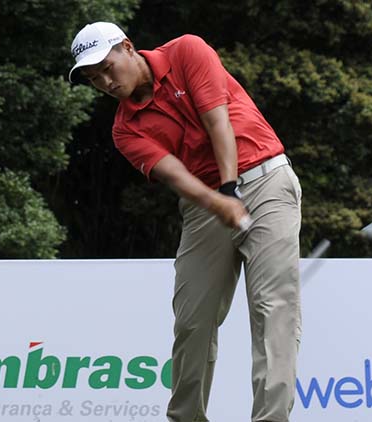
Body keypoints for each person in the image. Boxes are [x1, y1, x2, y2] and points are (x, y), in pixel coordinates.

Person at [69, 22, 302, 422]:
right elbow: (177, 175)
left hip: (265, 180)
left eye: (107, 68)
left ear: (128, 47)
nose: (105, 82)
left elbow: (218, 122)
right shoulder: (125, 129)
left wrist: (230, 191)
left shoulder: (186, 52)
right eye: (94, 79)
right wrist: (219, 201)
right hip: (203, 206)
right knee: (193, 321)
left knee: (272, 309)